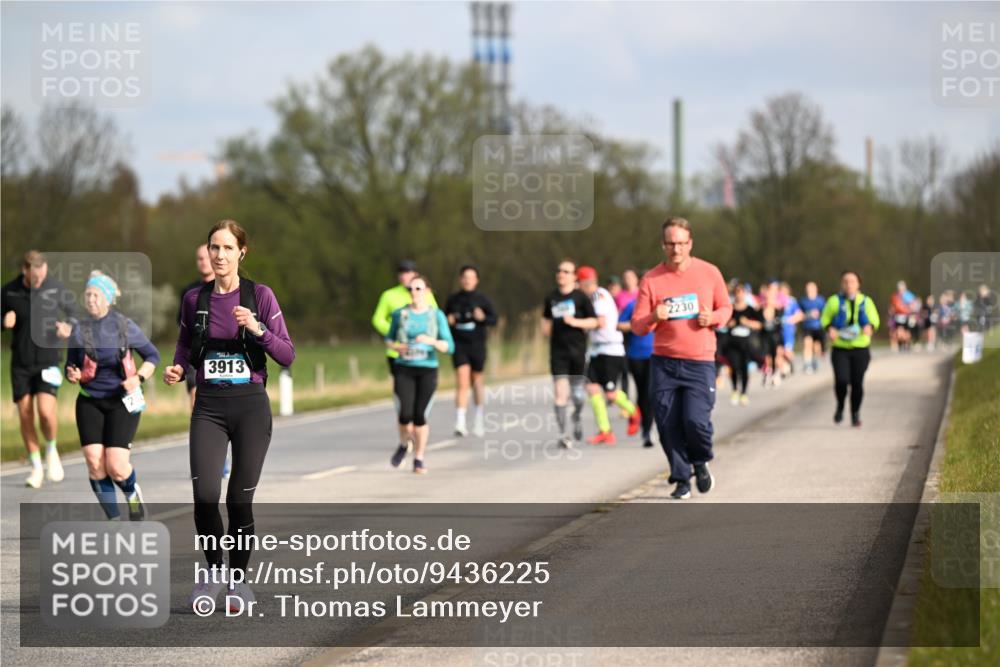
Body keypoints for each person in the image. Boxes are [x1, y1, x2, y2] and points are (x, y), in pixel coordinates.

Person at [165, 220, 295, 612]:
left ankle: (237, 582)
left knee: (239, 499)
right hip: (208, 406)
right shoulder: (194, 299)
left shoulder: (261, 296)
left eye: (226, 248)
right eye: (213, 248)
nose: (218, 255)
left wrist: (257, 329)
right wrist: (177, 368)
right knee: (205, 496)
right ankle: (213, 572)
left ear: (242, 252)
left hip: (250, 405)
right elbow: (186, 345)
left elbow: (287, 355)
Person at [632, 217, 732, 500]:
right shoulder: (651, 279)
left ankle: (700, 462)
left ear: (690, 244)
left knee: (695, 421)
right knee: (666, 424)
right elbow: (638, 325)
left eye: (681, 243)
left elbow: (726, 307)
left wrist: (711, 318)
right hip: (664, 362)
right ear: (663, 245)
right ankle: (681, 479)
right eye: (670, 243)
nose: (676, 249)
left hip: (699, 361)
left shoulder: (709, 273)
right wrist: (654, 316)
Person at [65, 271, 159, 521]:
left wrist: (137, 378)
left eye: (96, 294)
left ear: (107, 298)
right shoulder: (79, 330)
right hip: (89, 399)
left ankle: (132, 495)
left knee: (116, 466)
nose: (91, 299)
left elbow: (152, 356)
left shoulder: (123, 326)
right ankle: (114, 520)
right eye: (88, 294)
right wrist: (71, 373)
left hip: (123, 400)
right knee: (95, 462)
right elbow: (71, 365)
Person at [1, 250, 76, 488]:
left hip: (49, 359)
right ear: (25, 271)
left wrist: (68, 327)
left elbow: (75, 313)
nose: (39, 281)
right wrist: (3, 323)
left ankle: (51, 449)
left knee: (45, 411)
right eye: (35, 278)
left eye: (42, 277)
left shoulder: (55, 288)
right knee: (25, 414)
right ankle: (35, 468)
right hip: (21, 363)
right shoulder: (8, 291)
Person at [386, 275, 454, 473]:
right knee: (404, 413)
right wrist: (397, 347)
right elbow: (389, 339)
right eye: (412, 289)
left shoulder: (436, 315)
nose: (414, 293)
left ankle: (419, 458)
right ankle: (403, 443)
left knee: (420, 416)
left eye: (418, 289)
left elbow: (449, 346)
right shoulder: (400, 315)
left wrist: (431, 341)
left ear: (427, 292)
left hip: (427, 368)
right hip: (404, 367)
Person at [178, 243, 230, 478]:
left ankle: (222, 455)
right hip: (196, 360)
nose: (202, 262)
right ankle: (203, 461)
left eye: (205, 257)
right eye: (198, 258)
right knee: (196, 407)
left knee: (223, 407)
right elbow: (184, 330)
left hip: (220, 357)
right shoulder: (190, 292)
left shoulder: (226, 288)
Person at [576, 266, 641, 445]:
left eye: (578, 283)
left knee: (610, 394)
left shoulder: (599, 296)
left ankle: (634, 412)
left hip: (610, 350)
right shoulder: (590, 297)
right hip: (597, 350)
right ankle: (605, 431)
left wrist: (575, 324)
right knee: (592, 389)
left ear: (584, 282)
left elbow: (600, 322)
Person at [541, 259, 597, 448]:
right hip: (558, 352)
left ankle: (577, 415)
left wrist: (575, 322)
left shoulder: (581, 297)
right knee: (559, 394)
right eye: (559, 271)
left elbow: (595, 322)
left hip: (577, 351)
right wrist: (545, 330)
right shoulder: (551, 297)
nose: (561, 274)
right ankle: (563, 434)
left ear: (574, 276)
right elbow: (546, 320)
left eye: (566, 271)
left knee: (578, 395)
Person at [821, 270, 880, 427]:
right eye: (846, 281)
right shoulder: (834, 301)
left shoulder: (866, 302)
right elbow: (824, 318)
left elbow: (875, 320)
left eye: (852, 281)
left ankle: (855, 413)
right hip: (840, 348)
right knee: (841, 381)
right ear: (842, 284)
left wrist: (870, 327)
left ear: (858, 284)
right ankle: (840, 405)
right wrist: (829, 329)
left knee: (857, 383)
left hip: (860, 348)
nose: (849, 285)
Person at [444, 265, 497, 438]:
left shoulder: (482, 299)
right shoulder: (453, 299)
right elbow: (443, 321)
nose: (467, 280)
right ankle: (460, 422)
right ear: (460, 279)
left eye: (471, 277)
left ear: (476, 280)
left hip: (477, 345)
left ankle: (479, 417)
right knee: (462, 381)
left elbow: (494, 319)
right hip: (459, 344)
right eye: (464, 277)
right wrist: (449, 320)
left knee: (477, 382)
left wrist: (483, 317)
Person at [372, 259, 438, 378]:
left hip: (422, 350)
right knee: (402, 391)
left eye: (407, 272)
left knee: (423, 391)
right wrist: (395, 332)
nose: (404, 276)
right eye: (401, 272)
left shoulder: (425, 293)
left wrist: (428, 337)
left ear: (415, 274)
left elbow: (434, 317)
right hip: (398, 350)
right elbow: (378, 319)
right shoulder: (389, 295)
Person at [618, 294, 655, 447]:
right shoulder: (632, 305)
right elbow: (619, 325)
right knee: (642, 393)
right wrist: (637, 324)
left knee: (651, 392)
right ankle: (645, 428)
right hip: (635, 355)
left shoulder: (659, 304)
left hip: (655, 354)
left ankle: (650, 429)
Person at [724, 282, 761, 406]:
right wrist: (731, 324)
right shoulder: (730, 308)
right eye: (737, 292)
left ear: (745, 294)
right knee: (734, 367)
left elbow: (760, 324)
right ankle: (735, 389)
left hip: (746, 343)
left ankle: (744, 393)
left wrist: (747, 323)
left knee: (744, 369)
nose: (739, 295)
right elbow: (723, 323)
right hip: (732, 343)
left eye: (741, 292)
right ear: (734, 294)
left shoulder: (750, 309)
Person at [799, 281, 826, 374]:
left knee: (816, 346)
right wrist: (807, 315)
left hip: (818, 326)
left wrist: (819, 314)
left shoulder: (820, 300)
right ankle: (807, 364)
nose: (809, 290)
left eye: (811, 288)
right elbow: (799, 314)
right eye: (808, 288)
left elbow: (826, 312)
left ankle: (815, 360)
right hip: (807, 326)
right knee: (807, 344)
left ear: (816, 289)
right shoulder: (803, 301)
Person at [779, 282, 802, 375]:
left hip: (788, 330)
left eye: (784, 291)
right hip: (778, 330)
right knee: (780, 350)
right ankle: (784, 367)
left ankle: (790, 363)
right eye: (781, 291)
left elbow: (799, 315)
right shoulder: (777, 301)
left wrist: (790, 320)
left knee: (787, 351)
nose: (782, 293)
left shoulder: (792, 301)